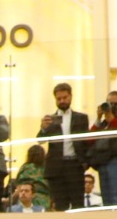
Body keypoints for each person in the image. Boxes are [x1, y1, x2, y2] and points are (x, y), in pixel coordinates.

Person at [37, 82, 89, 211]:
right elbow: (40, 140)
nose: (62, 101)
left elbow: (86, 141)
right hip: (56, 168)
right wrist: (43, 128)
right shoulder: (50, 119)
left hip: (75, 165)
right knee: (60, 205)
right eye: (59, 99)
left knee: (78, 204)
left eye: (65, 98)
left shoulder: (81, 118)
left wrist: (85, 162)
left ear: (71, 97)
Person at [11, 145, 52, 209]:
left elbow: (19, 189)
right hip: (45, 202)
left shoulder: (25, 168)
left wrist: (9, 200)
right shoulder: (48, 169)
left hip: (27, 201)